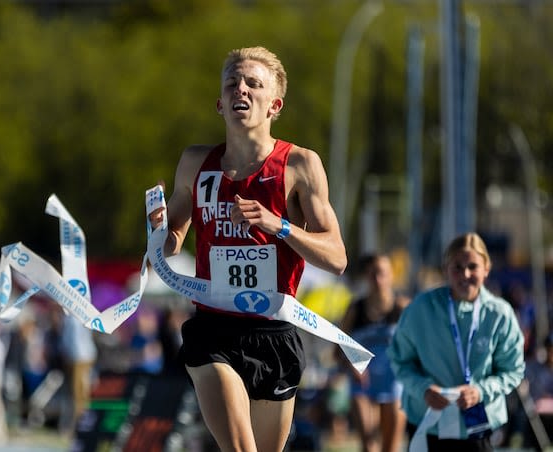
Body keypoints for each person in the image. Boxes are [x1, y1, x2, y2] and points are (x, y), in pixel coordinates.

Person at [148, 46, 347, 451]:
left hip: (274, 330)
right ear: (219, 104)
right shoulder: (195, 163)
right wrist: (157, 233)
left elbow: (337, 257)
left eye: (253, 83)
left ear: (274, 105)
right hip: (213, 328)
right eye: (232, 83)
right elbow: (172, 240)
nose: (241, 88)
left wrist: (281, 226)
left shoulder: (300, 166)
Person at [387, 232, 525, 451]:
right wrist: (423, 389)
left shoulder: (499, 314)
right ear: (446, 269)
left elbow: (513, 371)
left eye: (473, 266)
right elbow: (398, 360)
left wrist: (480, 391)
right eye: (457, 268)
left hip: (478, 422)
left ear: (486, 269)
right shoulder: (421, 308)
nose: (465, 274)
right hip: (428, 420)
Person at [338, 254, 409, 452]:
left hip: (393, 382)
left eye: (382, 274)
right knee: (369, 446)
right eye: (372, 274)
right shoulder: (356, 309)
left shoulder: (402, 308)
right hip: (363, 382)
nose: (378, 280)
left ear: (391, 276)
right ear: (367, 277)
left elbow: (419, 346)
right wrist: (352, 365)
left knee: (391, 447)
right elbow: (338, 348)